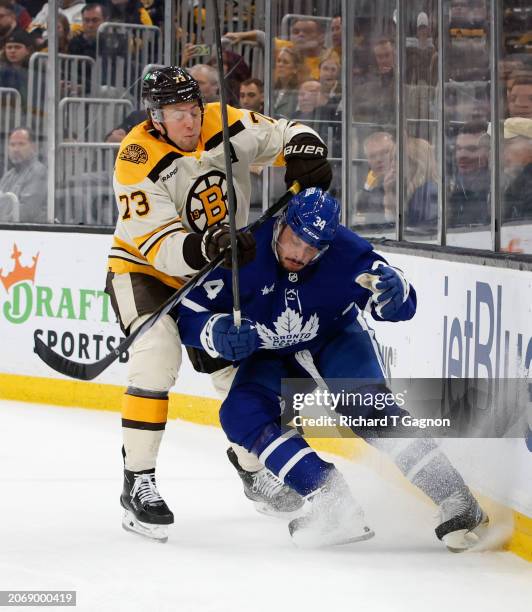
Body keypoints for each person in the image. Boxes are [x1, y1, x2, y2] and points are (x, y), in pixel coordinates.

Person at [176, 187, 488, 550]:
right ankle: (331, 500)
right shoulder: (244, 252)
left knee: (368, 408)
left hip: (334, 338)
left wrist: (395, 293)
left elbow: (396, 299)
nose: (300, 254)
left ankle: (456, 495)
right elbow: (186, 312)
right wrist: (214, 333)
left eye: (313, 249)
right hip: (271, 355)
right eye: (295, 241)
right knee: (240, 414)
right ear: (282, 223)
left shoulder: (345, 250)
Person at [105, 65, 332, 541]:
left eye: (193, 110)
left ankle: (253, 467)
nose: (189, 122)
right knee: (155, 357)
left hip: (219, 269)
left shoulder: (223, 120)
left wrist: (307, 148)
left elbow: (287, 132)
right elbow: (159, 245)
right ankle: (138, 481)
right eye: (176, 114)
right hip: (146, 274)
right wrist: (208, 246)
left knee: (240, 366)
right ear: (156, 116)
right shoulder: (136, 156)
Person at [0, 127, 47, 222]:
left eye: (21, 144)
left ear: (34, 147)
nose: (16, 149)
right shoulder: (9, 175)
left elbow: (26, 212)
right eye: (12, 145)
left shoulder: (38, 172)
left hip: (28, 233)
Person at [448, 122, 490, 227]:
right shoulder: (448, 184)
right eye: (458, 149)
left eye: (472, 149)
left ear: (490, 152)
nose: (462, 155)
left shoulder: (497, 188)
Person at [354, 131, 395, 223]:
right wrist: (367, 187)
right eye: (372, 156)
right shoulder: (370, 187)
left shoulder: (405, 182)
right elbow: (361, 213)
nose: (378, 159)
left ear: (395, 153)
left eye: (384, 152)